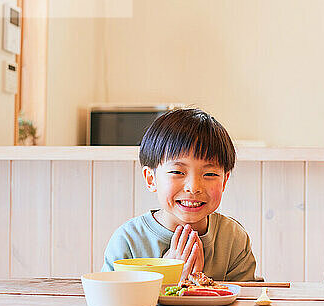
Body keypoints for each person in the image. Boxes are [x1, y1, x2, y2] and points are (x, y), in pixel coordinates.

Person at [101, 108, 261, 282]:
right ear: (151, 179)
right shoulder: (128, 240)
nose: (193, 187)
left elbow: (247, 302)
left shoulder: (232, 238)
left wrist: (198, 284)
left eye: (210, 174)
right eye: (177, 171)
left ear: (224, 181)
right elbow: (112, 301)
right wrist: (167, 276)